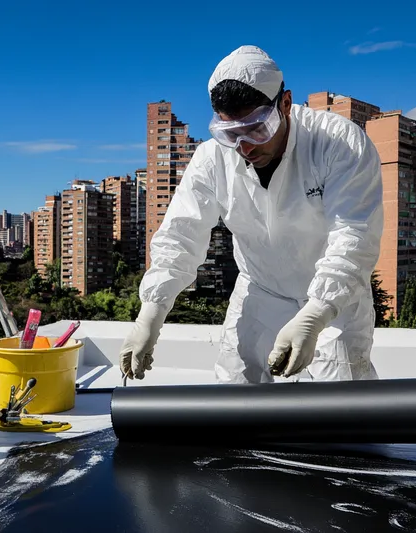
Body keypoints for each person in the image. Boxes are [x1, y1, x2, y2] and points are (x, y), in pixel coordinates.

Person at [119, 45, 384, 384]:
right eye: (231, 134)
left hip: (334, 305)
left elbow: (354, 235)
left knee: (339, 411)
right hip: (259, 293)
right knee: (235, 401)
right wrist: (151, 314)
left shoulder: (338, 144)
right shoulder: (213, 157)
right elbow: (180, 236)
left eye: (257, 129)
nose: (245, 147)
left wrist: (315, 314)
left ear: (285, 104)